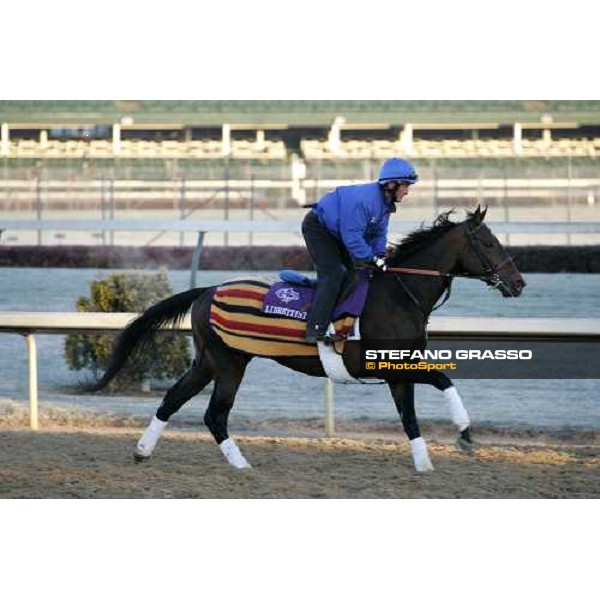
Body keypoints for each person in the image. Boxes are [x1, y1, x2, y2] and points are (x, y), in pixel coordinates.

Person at [302, 157, 419, 343]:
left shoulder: (386, 205)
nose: (407, 191)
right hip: (318, 228)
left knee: (352, 276)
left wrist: (380, 255)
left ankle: (337, 320)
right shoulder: (364, 201)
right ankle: (314, 329)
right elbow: (353, 239)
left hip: (337, 232)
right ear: (391, 185)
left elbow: (379, 234)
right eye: (405, 186)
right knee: (334, 275)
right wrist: (372, 258)